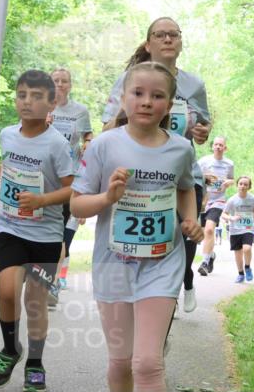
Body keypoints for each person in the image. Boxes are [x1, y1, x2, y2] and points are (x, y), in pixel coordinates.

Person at [71, 61, 203, 392]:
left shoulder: (181, 148)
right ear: (124, 99)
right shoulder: (106, 145)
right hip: (114, 263)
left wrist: (191, 220)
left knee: (148, 361)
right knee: (120, 361)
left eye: (158, 96)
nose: (147, 102)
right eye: (139, 94)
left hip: (162, 263)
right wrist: (108, 196)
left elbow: (186, 187)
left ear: (170, 105)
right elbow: (76, 206)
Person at [102, 17, 210, 313]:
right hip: (138, 173)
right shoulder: (128, 81)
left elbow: (202, 126)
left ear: (181, 42)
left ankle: (168, 297)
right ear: (148, 44)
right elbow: (106, 129)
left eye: (174, 34)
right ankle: (139, 301)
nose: (167, 39)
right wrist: (127, 113)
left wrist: (202, 132)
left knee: (185, 237)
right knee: (142, 242)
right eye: (160, 35)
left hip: (182, 174)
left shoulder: (194, 84)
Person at [0, 70, 74, 392]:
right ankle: (10, 349)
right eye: (22, 95)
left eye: (36, 97)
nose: (27, 102)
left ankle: (35, 362)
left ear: (52, 103)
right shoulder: (8, 134)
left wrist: (42, 200)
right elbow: (4, 166)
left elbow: (71, 190)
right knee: (7, 291)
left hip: (46, 234)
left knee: (35, 303)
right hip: (10, 227)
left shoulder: (57, 145)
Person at [47, 67, 94, 308]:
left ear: (70, 85)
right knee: (44, 232)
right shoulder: (42, 106)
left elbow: (88, 136)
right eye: (56, 80)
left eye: (65, 81)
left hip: (69, 178)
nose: (60, 84)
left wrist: (88, 144)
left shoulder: (80, 111)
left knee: (60, 234)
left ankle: (52, 284)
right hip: (44, 177)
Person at [196, 136, 234, 276]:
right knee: (201, 234)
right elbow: (195, 175)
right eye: (216, 144)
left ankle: (205, 263)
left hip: (218, 200)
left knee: (210, 230)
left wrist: (228, 183)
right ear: (212, 146)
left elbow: (231, 178)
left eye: (221, 145)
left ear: (225, 148)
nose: (218, 147)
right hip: (203, 200)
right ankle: (211, 255)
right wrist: (205, 178)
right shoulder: (204, 161)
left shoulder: (229, 163)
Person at [222, 176, 254, 283]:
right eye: (241, 184)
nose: (243, 186)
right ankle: (240, 274)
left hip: (248, 228)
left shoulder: (253, 199)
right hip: (235, 230)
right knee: (238, 254)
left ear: (249, 187)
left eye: (245, 184)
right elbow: (224, 214)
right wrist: (231, 218)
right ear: (237, 185)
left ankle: (247, 267)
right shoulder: (232, 200)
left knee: (247, 249)